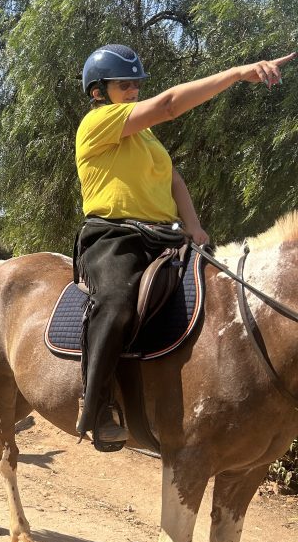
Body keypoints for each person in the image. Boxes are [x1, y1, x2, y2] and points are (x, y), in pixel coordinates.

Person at [75, 43, 295, 450]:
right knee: (118, 301)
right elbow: (171, 104)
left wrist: (194, 228)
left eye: (137, 85)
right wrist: (235, 73)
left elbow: (174, 179)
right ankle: (97, 402)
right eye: (124, 85)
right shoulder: (97, 124)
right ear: (98, 92)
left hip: (164, 236)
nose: (134, 91)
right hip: (114, 236)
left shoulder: (147, 139)